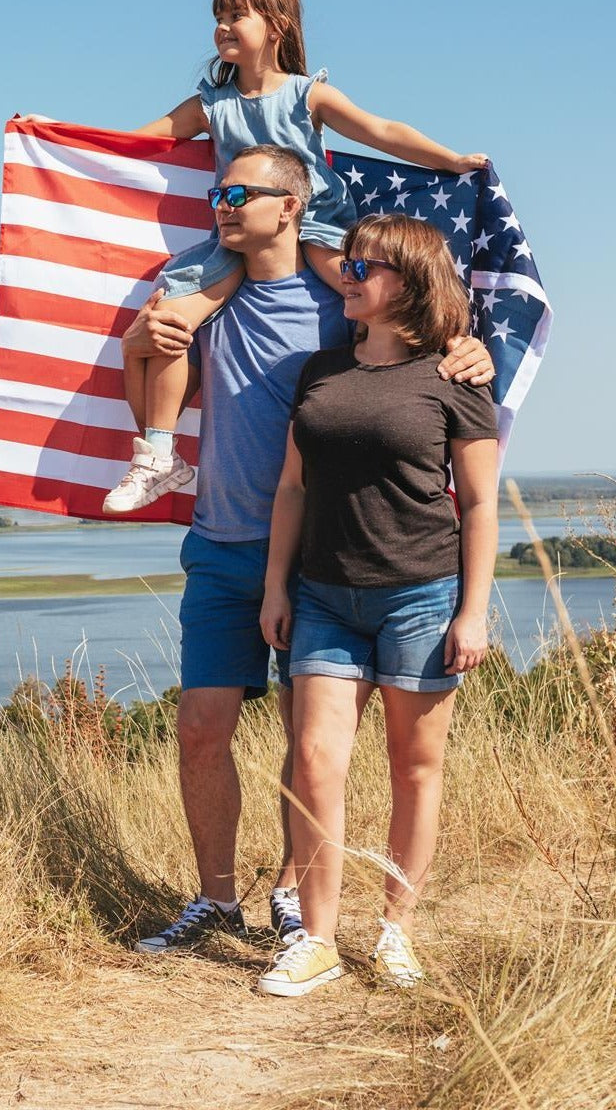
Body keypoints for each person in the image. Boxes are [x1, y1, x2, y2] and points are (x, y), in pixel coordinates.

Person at [129, 147, 493, 956]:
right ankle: (216, 902)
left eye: (238, 192)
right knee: (201, 727)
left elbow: (416, 342)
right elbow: (151, 379)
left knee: (315, 746)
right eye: (216, 192)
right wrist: (137, 340)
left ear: (291, 207)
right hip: (223, 545)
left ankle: (295, 899)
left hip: (322, 555)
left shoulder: (340, 303)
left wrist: (474, 349)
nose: (221, 205)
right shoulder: (200, 298)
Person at [97, 0, 488, 518]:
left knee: (367, 287)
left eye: (236, 16)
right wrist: (56, 133)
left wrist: (448, 159)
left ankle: (452, 342)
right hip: (239, 235)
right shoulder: (212, 103)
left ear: (276, 27)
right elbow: (142, 139)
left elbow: (382, 131)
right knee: (173, 320)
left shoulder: (308, 95)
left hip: (318, 226)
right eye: (219, 16)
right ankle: (160, 454)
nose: (222, 26)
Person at [255, 214, 498, 997]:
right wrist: (274, 588)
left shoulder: (455, 379)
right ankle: (318, 941)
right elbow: (291, 488)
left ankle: (396, 930)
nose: (350, 275)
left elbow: (481, 506)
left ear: (413, 283)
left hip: (421, 599)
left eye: (368, 267)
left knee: (414, 769)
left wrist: (473, 611)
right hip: (323, 597)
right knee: (317, 763)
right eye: (349, 263)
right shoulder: (319, 372)